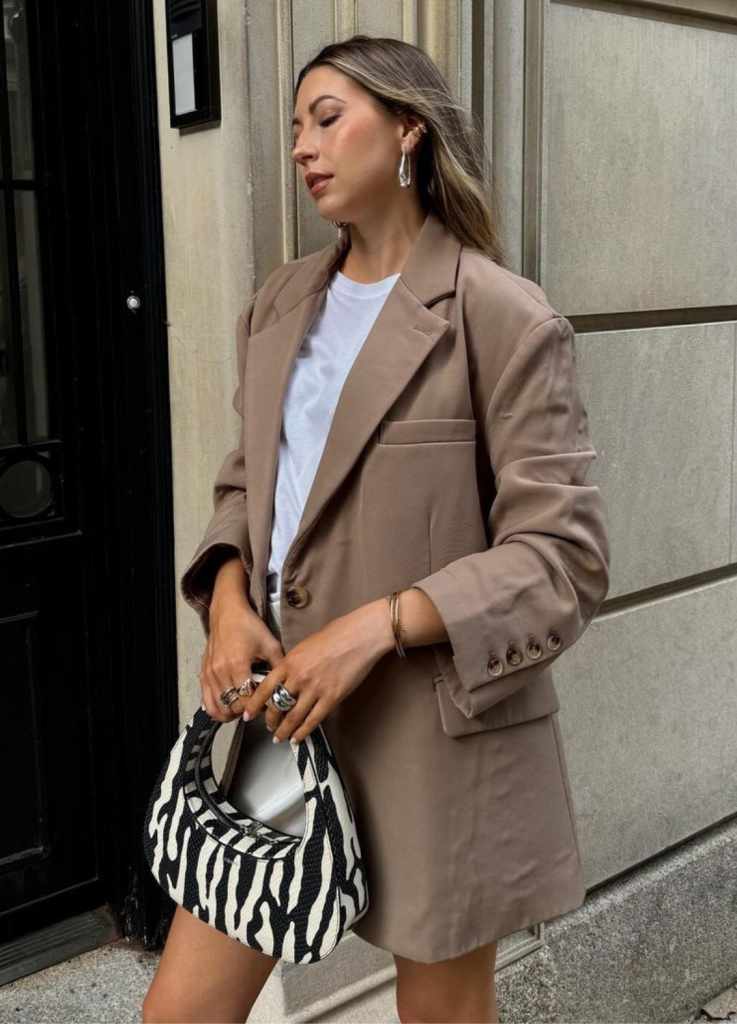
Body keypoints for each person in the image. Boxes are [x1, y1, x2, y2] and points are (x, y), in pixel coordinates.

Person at [143, 34, 610, 1024]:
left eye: (327, 118)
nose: (305, 147)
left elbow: (562, 560)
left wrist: (375, 626)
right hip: (283, 726)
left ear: (406, 128)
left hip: (435, 738)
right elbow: (249, 486)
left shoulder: (503, 318)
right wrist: (226, 601)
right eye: (297, 125)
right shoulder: (278, 305)